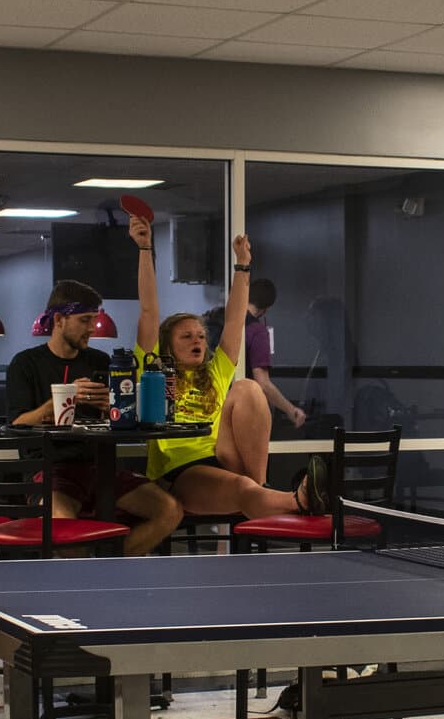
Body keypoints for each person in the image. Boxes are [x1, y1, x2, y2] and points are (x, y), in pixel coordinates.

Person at [130, 213, 326, 518]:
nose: (197, 340)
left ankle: (264, 486)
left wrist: (243, 265)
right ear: (167, 344)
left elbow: (236, 320)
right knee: (242, 490)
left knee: (247, 386)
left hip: (224, 456)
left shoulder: (215, 372)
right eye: (186, 336)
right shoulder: (154, 370)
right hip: (181, 470)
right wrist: (145, 249)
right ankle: (297, 501)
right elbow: (148, 310)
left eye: (200, 336)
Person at [4, 277, 183, 555]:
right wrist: (60, 401)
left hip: (101, 468)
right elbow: (17, 424)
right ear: (59, 320)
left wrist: (115, 409)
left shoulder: (100, 361)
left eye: (93, 319)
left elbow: (122, 417)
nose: (92, 328)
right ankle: (87, 575)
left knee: (169, 510)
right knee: (65, 534)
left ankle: (108, 566)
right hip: (52, 470)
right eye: (85, 320)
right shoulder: (25, 364)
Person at [241, 276, 307, 431]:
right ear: (266, 308)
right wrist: (291, 410)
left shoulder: (229, 323)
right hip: (246, 410)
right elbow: (263, 383)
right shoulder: (257, 331)